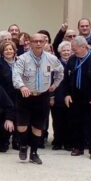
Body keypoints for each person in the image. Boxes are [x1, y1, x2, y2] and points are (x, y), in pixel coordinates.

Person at [12, 33, 64, 164]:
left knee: (38, 126)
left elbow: (60, 71)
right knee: (22, 125)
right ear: (30, 43)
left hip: (42, 96)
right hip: (25, 95)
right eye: (36, 41)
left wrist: (55, 85)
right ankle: (23, 146)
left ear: (45, 42)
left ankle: (34, 152)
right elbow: (16, 74)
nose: (39, 44)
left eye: (41, 41)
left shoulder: (51, 59)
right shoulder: (22, 59)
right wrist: (22, 86)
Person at [63, 36, 91, 160]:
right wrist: (67, 94)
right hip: (75, 98)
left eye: (74, 49)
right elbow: (66, 79)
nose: (72, 51)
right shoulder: (72, 60)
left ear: (83, 47)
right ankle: (78, 147)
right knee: (76, 123)